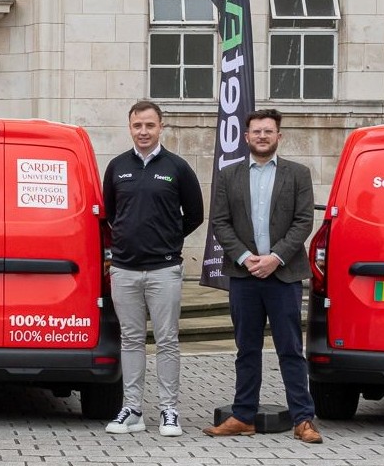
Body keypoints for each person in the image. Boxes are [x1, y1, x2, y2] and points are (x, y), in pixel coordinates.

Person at [204, 109, 321, 443]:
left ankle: (303, 419)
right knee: (247, 349)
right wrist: (245, 258)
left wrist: (275, 258)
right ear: (246, 137)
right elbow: (220, 222)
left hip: (283, 275)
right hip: (244, 276)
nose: (262, 136)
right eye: (256, 131)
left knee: (290, 349)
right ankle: (243, 416)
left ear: (278, 136)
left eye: (268, 131)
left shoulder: (298, 174)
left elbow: (303, 221)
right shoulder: (229, 175)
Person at [101, 101, 204, 436]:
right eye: (137, 125)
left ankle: (168, 410)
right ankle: (132, 410)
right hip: (124, 270)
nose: (143, 132)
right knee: (130, 340)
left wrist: (167, 239)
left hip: (164, 270)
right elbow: (111, 213)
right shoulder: (117, 167)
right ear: (130, 127)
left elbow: (195, 214)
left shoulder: (177, 167)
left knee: (167, 340)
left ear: (161, 127)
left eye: (149, 125)